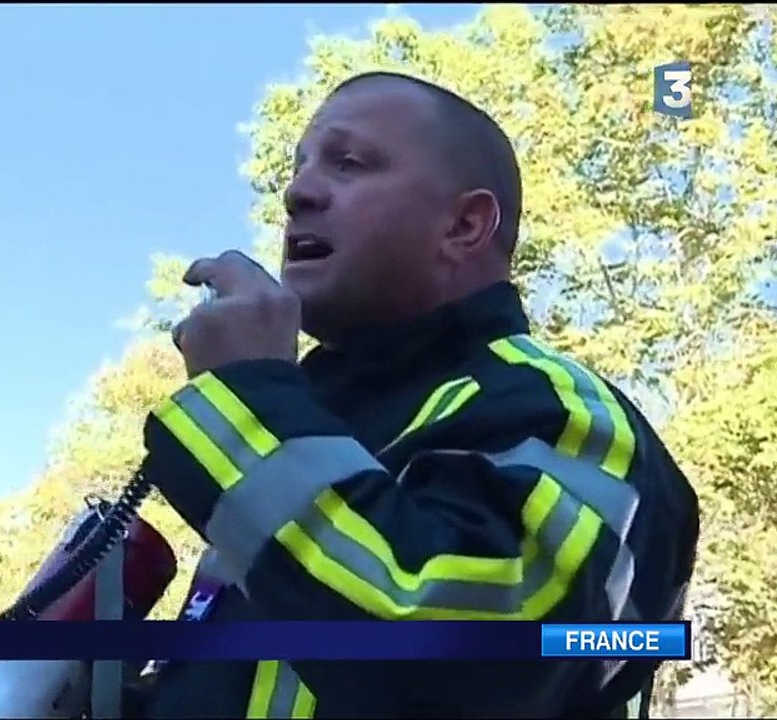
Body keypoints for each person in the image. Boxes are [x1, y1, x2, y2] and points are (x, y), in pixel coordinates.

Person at [131, 71, 700, 718]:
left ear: (464, 225)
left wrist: (244, 403)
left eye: (348, 163)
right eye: (298, 167)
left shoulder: (565, 414)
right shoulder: (307, 448)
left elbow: (468, 664)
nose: (296, 192)